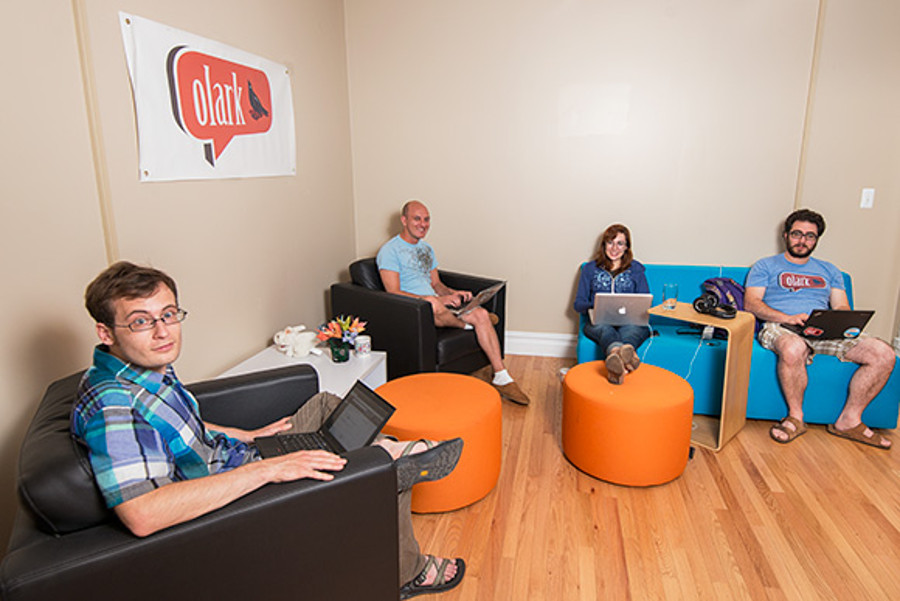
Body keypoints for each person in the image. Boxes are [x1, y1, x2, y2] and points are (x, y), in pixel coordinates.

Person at [71, 261, 466, 600]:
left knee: (327, 403)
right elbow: (143, 514)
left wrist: (246, 434)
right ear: (106, 332)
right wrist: (268, 469)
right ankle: (407, 564)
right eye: (141, 321)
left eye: (169, 314)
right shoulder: (114, 407)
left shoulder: (139, 371)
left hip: (240, 457)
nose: (162, 331)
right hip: (238, 499)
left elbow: (180, 424)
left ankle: (393, 450)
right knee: (384, 472)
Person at [744, 208, 894, 449]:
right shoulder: (765, 266)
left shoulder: (830, 271)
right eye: (797, 234)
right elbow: (752, 304)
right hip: (781, 326)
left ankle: (849, 420)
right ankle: (795, 418)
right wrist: (788, 317)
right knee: (793, 348)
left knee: (884, 353)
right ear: (786, 235)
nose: (802, 241)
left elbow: (842, 306)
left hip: (822, 329)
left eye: (810, 236)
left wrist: (842, 321)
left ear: (816, 239)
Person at [376, 200, 530, 405]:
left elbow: (436, 283)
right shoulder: (390, 251)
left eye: (426, 219)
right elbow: (393, 291)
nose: (423, 224)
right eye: (416, 218)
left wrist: (454, 293)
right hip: (416, 310)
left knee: (481, 314)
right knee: (433, 303)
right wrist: (437, 299)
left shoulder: (426, 249)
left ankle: (502, 376)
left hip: (439, 304)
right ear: (404, 220)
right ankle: (465, 325)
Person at [573, 224, 651, 384]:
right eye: (610, 242)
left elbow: (645, 301)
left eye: (620, 243)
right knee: (604, 329)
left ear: (627, 247)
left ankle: (616, 363)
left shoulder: (636, 269)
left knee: (634, 329)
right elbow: (578, 304)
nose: (614, 248)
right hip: (599, 321)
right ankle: (626, 357)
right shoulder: (590, 269)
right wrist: (596, 305)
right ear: (604, 245)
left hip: (630, 321)